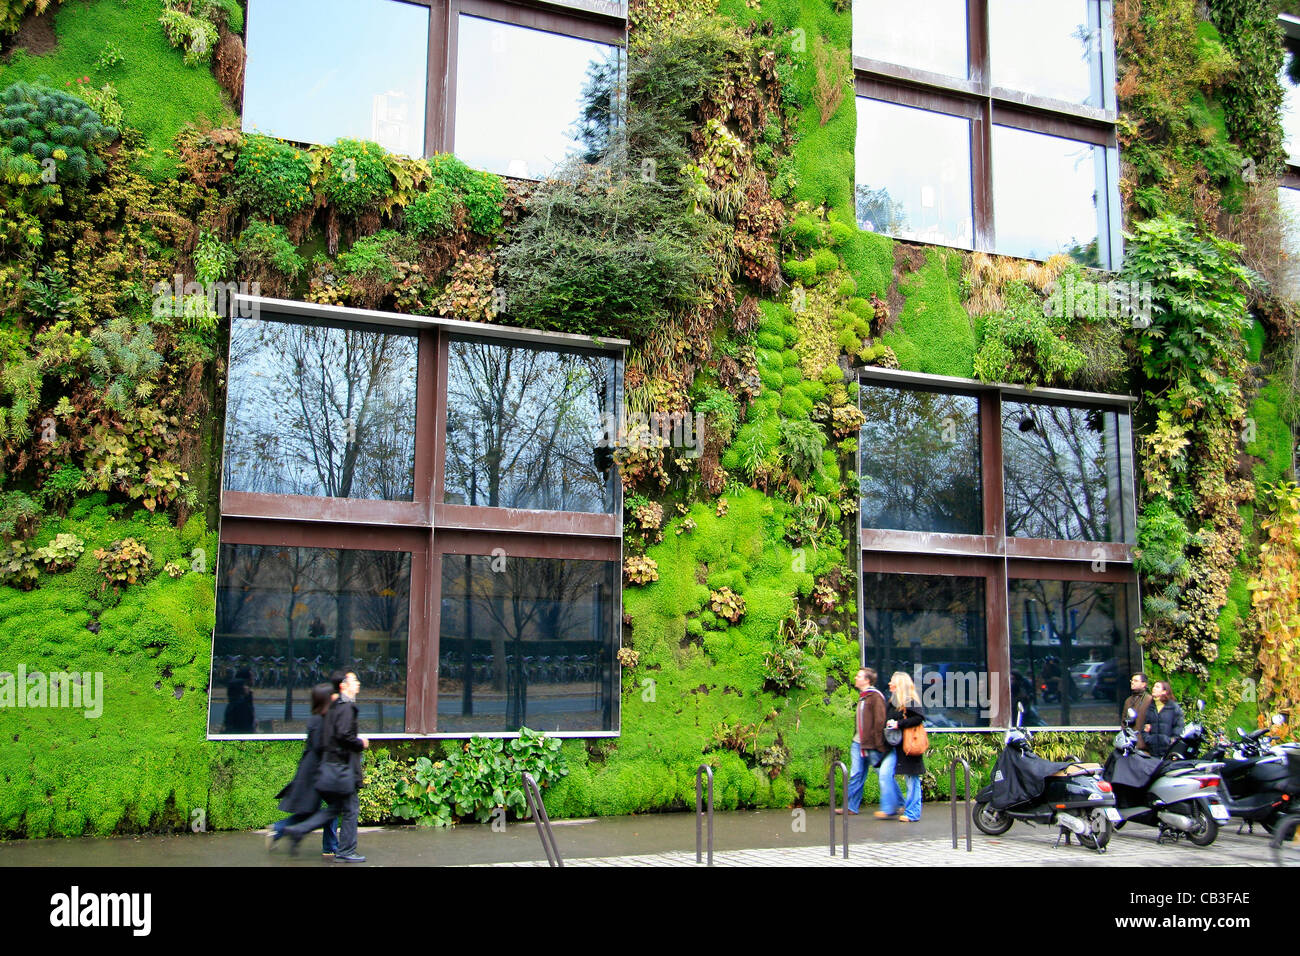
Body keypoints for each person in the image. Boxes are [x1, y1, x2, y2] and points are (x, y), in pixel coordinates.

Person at [286, 670, 370, 861]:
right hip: (342, 770)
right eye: (354, 680)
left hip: (332, 768)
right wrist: (360, 743)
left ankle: (298, 830)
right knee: (351, 809)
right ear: (344, 685)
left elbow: (329, 738)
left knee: (334, 809)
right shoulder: (346, 707)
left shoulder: (334, 706)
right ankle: (346, 851)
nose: (358, 683)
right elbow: (343, 736)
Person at [267, 683, 338, 856]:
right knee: (322, 810)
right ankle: (279, 828)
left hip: (314, 770)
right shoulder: (322, 720)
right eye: (332, 695)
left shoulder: (318, 717)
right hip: (316, 773)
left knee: (326, 810)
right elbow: (322, 746)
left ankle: (330, 846)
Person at [876, 671, 926, 823]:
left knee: (912, 779)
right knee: (884, 773)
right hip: (894, 747)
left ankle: (913, 813)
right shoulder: (892, 701)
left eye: (892, 681)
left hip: (908, 746)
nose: (889, 683)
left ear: (900, 684)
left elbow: (919, 718)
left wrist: (898, 724)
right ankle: (893, 806)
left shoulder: (910, 701)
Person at [838, 667, 887, 816]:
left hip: (871, 744)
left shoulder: (875, 697)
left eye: (859, 676)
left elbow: (880, 721)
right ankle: (850, 806)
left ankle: (898, 802)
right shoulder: (863, 696)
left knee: (882, 774)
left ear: (867, 680)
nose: (855, 678)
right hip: (858, 742)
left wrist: (879, 743)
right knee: (856, 774)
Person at [1143, 680, 1184, 758]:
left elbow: (1179, 726)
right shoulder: (1151, 707)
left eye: (1157, 687)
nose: (1154, 688)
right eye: (1154, 686)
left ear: (1164, 691)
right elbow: (1145, 726)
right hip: (1153, 750)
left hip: (1168, 750)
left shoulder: (1173, 707)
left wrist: (1171, 741)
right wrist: (1148, 739)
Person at [1121, 672, 1153, 751]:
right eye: (1132, 680)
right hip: (1129, 743)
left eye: (1135, 680)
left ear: (1143, 684)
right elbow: (1123, 721)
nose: (1132, 682)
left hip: (1145, 745)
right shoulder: (1128, 700)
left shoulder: (1149, 700)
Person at [222, 667, 255, 733]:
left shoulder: (239, 700)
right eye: (251, 677)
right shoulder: (240, 705)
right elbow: (244, 726)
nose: (253, 679)